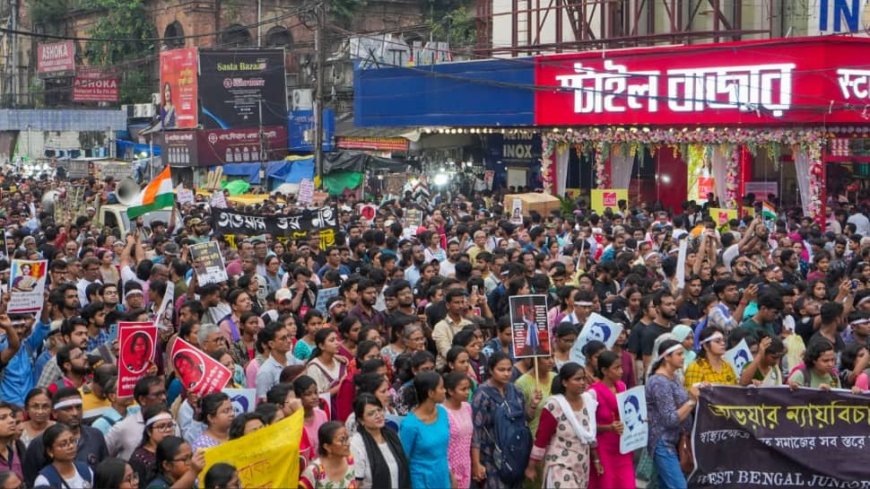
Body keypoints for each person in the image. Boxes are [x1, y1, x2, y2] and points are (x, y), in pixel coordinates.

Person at [526, 362, 601, 489]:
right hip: (559, 466)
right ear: (565, 383)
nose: (582, 382)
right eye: (577, 379)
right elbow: (541, 439)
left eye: (583, 378)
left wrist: (596, 460)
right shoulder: (554, 406)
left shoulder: (588, 402)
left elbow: (590, 436)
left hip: (581, 466)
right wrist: (531, 467)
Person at [471, 352, 533, 489]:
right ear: (491, 370)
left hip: (515, 453)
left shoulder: (516, 391)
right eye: (501, 370)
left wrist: (533, 405)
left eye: (509, 369)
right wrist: (476, 463)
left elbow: (523, 420)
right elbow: (476, 430)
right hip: (491, 455)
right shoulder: (482, 395)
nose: (506, 373)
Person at [645, 340, 702, 489]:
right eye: (679, 354)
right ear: (666, 357)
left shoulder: (674, 377)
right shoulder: (659, 382)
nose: (683, 357)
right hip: (663, 442)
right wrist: (691, 401)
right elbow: (670, 419)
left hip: (676, 441)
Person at [588, 351, 635, 489]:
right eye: (616, 368)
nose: (621, 371)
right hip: (603, 448)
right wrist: (608, 427)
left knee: (627, 484)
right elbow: (588, 426)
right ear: (604, 370)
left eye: (621, 367)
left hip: (622, 445)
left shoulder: (622, 386)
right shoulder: (592, 393)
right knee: (607, 484)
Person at [398, 371, 451, 489]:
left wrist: (450, 476)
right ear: (431, 393)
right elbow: (403, 459)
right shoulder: (410, 425)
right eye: (441, 388)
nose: (445, 391)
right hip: (421, 482)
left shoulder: (442, 413)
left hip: (442, 478)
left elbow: (444, 452)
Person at [349, 393, 410, 489]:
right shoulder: (356, 444)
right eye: (371, 413)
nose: (378, 415)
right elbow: (356, 483)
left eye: (379, 410)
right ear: (361, 420)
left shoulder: (392, 435)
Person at [33, 423, 94, 488]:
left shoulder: (85, 470)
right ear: (50, 451)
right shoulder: (44, 481)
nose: (71, 446)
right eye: (63, 444)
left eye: (72, 441)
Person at [300, 421, 357, 489]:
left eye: (347, 438)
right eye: (342, 440)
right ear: (327, 447)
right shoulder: (313, 472)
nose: (348, 444)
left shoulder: (350, 461)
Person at [129, 405, 176, 486]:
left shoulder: (177, 450)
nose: (168, 430)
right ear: (149, 431)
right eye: (161, 427)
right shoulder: (139, 459)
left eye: (170, 425)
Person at [442, 372, 473, 489]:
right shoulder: (441, 412)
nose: (467, 392)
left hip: (465, 465)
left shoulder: (467, 407)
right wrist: (449, 473)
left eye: (468, 388)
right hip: (449, 467)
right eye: (463, 389)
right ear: (450, 391)